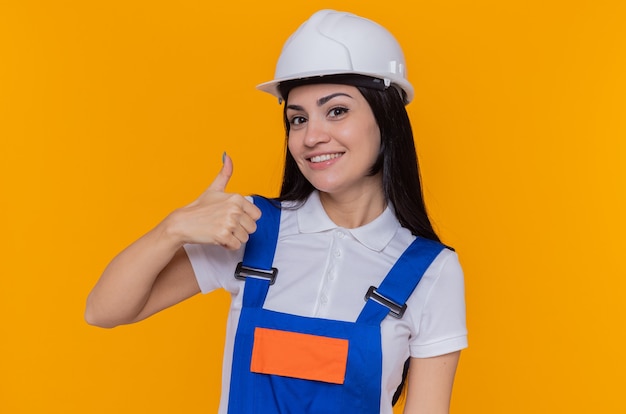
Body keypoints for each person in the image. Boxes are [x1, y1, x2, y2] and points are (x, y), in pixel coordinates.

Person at [85, 9, 467, 414]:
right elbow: (104, 311)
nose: (312, 137)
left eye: (336, 110)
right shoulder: (250, 227)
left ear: (386, 118)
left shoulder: (431, 271)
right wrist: (173, 228)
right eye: (297, 119)